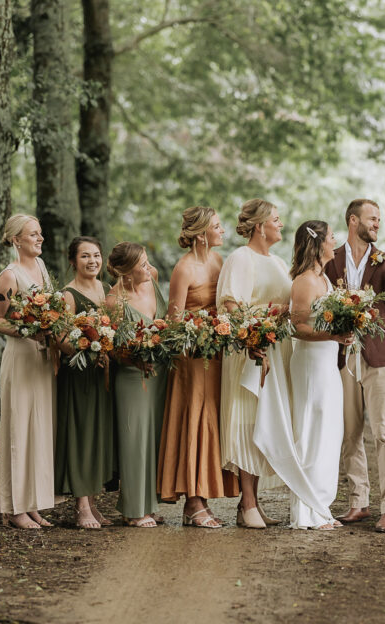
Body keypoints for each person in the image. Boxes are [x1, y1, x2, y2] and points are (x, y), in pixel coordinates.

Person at [324, 198, 385, 533]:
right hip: (343, 358)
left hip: (381, 358)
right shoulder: (331, 261)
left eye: (379, 219)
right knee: (349, 432)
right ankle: (358, 501)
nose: (377, 224)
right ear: (353, 220)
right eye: (372, 219)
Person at [263, 221, 353, 529]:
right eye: (331, 237)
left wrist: (344, 332)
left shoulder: (324, 278)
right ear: (317, 245)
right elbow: (298, 329)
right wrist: (334, 337)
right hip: (310, 366)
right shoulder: (304, 281)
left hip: (327, 364)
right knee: (312, 433)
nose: (335, 241)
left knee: (329, 433)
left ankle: (320, 508)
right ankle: (306, 513)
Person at [157, 206, 240, 528]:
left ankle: (201, 498)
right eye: (217, 227)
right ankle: (193, 501)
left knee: (212, 424)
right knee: (195, 421)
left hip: (216, 355)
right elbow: (173, 319)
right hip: (191, 358)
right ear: (202, 233)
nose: (223, 231)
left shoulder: (219, 262)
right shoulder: (184, 269)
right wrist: (200, 330)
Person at [217, 198, 293, 529]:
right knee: (248, 419)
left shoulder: (277, 261)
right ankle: (246, 501)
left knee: (264, 421)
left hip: (277, 349)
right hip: (251, 350)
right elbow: (232, 305)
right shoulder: (240, 258)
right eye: (276, 220)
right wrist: (254, 339)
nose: (280, 224)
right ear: (260, 226)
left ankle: (254, 502)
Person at [0, 214, 61, 529]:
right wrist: (26, 330)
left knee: (38, 430)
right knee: (19, 430)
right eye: (33, 234)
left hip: (42, 359)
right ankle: (14, 508)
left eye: (40, 233)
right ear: (16, 239)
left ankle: (31, 504)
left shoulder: (41, 268)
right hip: (20, 358)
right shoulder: (9, 275)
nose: (40, 238)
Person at [106, 242, 168, 528]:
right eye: (141, 264)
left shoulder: (152, 278)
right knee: (134, 440)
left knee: (153, 438)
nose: (147, 267)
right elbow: (115, 347)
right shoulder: (114, 301)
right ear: (125, 272)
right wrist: (136, 360)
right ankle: (132, 510)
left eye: (146, 262)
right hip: (133, 377)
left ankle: (150, 504)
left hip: (161, 372)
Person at [55, 236, 115, 529]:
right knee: (81, 434)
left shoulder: (107, 289)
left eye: (96, 255)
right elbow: (61, 339)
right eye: (84, 257)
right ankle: (80, 507)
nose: (92, 261)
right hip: (79, 373)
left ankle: (92, 501)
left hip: (102, 373)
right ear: (73, 261)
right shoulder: (67, 295)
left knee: (97, 435)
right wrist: (89, 349)